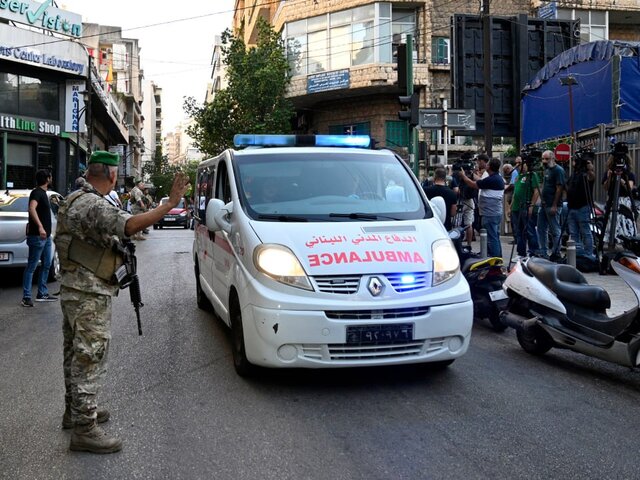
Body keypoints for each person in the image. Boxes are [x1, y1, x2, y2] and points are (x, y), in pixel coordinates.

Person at [55, 151, 190, 454]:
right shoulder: (93, 204)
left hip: (74, 289)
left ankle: (75, 412)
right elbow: (129, 225)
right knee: (90, 355)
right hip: (88, 293)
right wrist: (169, 204)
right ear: (112, 174)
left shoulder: (74, 198)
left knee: (74, 352)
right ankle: (85, 429)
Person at [21, 170, 57, 307]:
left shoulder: (43, 193)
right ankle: (26, 297)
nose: (51, 179)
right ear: (47, 179)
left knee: (47, 264)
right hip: (37, 236)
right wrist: (40, 227)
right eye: (50, 177)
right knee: (32, 266)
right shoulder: (36, 192)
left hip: (46, 237)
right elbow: (32, 208)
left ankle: (42, 293)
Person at [460, 157, 505, 258]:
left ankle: (495, 256)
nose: (486, 165)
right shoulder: (496, 178)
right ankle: (494, 254)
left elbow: (473, 184)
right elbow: (481, 181)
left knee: (492, 237)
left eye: (487, 164)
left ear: (489, 166)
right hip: (493, 212)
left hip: (490, 214)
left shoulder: (492, 179)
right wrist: (471, 174)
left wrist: (463, 176)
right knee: (494, 236)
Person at [602, 152, 637, 245]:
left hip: (624, 202)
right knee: (611, 224)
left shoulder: (629, 174)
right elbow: (605, 188)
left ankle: (625, 243)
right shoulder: (609, 173)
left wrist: (621, 178)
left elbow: (629, 188)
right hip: (612, 201)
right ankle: (611, 243)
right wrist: (610, 177)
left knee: (625, 225)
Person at [537, 150, 566, 259]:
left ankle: (556, 252)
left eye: (547, 159)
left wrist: (554, 205)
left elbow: (559, 188)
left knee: (555, 230)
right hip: (544, 204)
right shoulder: (547, 169)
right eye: (543, 159)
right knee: (541, 229)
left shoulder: (558, 170)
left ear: (553, 158)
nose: (544, 161)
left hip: (552, 205)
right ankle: (543, 251)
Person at [567, 154, 596, 259]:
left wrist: (589, 168)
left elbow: (592, 177)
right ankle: (577, 254)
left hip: (583, 207)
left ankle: (588, 254)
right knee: (573, 233)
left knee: (585, 232)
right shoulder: (574, 174)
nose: (575, 163)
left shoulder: (586, 175)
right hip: (572, 207)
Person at [510, 159, 541, 258]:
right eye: (516, 163)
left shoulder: (532, 175)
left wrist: (532, 205)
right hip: (516, 208)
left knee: (529, 231)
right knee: (519, 232)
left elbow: (536, 191)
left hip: (526, 207)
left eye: (519, 163)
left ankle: (534, 252)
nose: (517, 165)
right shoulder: (518, 176)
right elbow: (515, 192)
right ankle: (521, 253)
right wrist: (511, 206)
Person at [424, 165, 457, 230]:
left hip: (430, 225)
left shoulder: (426, 190)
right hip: (446, 226)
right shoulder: (452, 193)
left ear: (434, 177)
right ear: (445, 178)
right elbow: (453, 213)